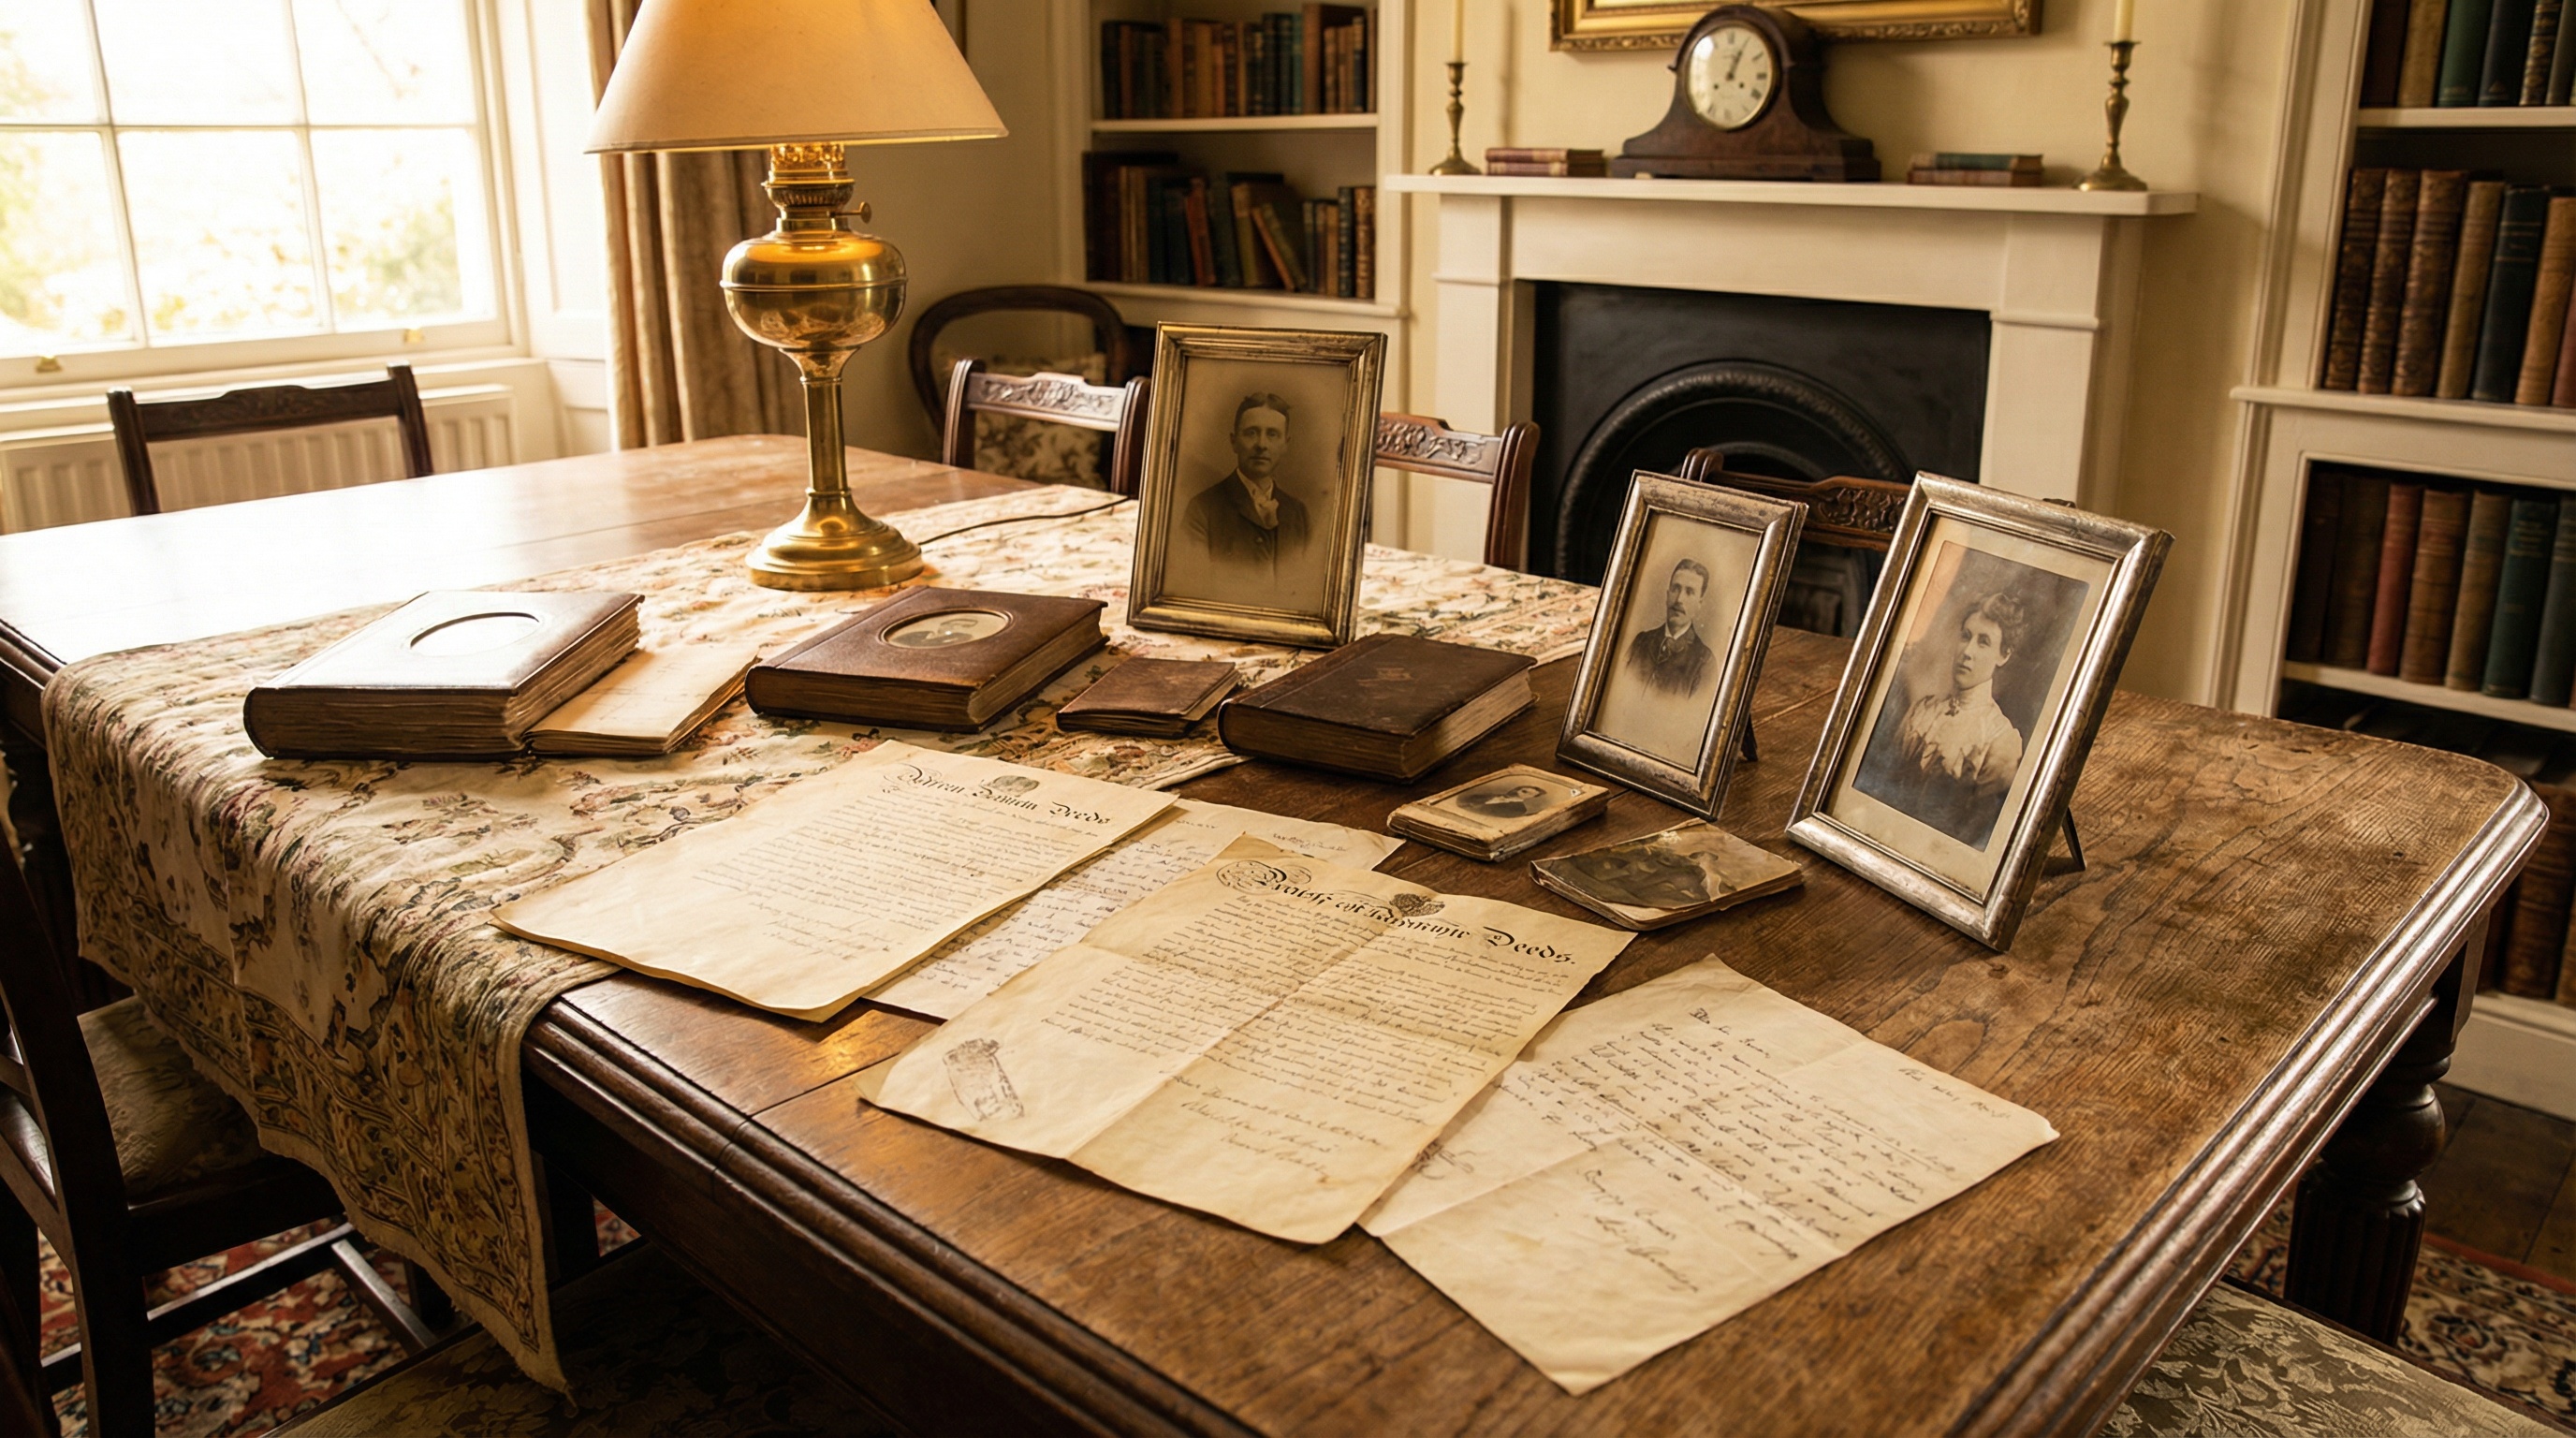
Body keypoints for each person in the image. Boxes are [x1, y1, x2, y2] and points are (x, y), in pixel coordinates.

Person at [1882, 590, 2029, 846]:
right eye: (1966, 636)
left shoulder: (2001, 740)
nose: (1967, 652)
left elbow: (1978, 831)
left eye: (1983, 642)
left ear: (2003, 655)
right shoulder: (1922, 711)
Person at [1185, 393, 1310, 570]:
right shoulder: (1202, 509)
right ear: (1234, 441)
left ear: (1285, 445)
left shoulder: (1298, 514)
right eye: (1251, 433)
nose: (1261, 444)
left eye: (1272, 434)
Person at [1622, 557, 1717, 697]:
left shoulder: (1705, 662)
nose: (1679, 599)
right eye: (1676, 588)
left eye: (1689, 592)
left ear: (1699, 603)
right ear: (1667, 595)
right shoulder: (1640, 642)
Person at [1456, 782, 1553, 820]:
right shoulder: (1487, 795)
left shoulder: (1519, 810)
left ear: (1531, 798)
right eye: (1522, 790)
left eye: (1527, 793)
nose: (1519, 792)